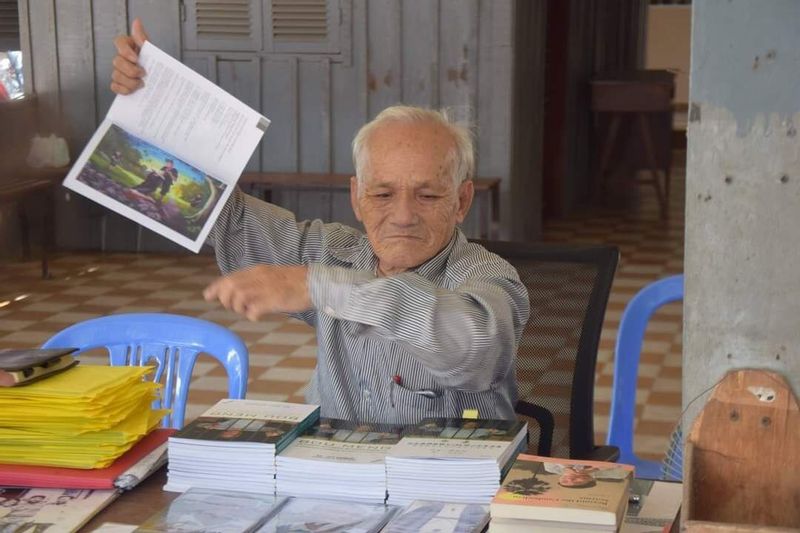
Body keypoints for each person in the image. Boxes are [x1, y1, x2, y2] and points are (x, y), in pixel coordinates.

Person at [111, 20, 530, 425]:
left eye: (428, 195)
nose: (402, 216)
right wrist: (148, 104)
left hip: (448, 487)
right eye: (382, 194)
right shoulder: (332, 253)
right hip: (336, 481)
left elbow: (474, 349)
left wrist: (317, 286)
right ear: (356, 198)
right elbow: (218, 211)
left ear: (461, 201)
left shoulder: (489, 276)